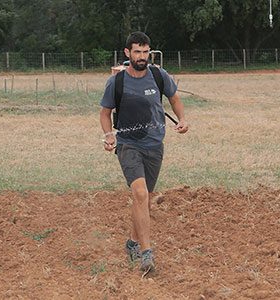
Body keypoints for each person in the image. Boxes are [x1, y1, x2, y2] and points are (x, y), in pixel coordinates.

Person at [99, 31, 189, 272]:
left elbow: (174, 99)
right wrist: (109, 135)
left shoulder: (159, 76)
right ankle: (146, 253)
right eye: (137, 51)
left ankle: (132, 242)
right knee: (139, 194)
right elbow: (105, 113)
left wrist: (182, 119)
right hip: (129, 144)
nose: (142, 56)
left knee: (145, 200)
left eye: (145, 51)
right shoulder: (117, 82)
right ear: (127, 53)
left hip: (155, 144)